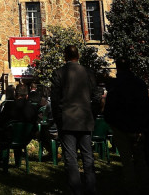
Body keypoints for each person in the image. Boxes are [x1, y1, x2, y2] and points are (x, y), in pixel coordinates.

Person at [52, 45, 100, 195]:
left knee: (71, 157)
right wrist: (92, 113)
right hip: (84, 119)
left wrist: (58, 119)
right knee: (87, 156)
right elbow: (97, 97)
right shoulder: (88, 72)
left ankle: (76, 189)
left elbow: (54, 100)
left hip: (67, 120)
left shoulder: (59, 73)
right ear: (78, 56)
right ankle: (91, 188)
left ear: (65, 55)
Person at [103, 59, 149, 195]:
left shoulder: (115, 85)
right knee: (140, 157)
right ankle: (144, 184)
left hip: (121, 125)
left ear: (118, 68)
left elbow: (110, 106)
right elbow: (146, 105)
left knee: (127, 159)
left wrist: (110, 121)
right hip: (137, 125)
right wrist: (144, 124)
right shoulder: (139, 83)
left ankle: (131, 185)